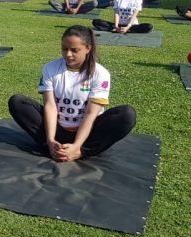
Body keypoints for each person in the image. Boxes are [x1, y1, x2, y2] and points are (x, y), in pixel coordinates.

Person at [8, 25, 136, 161]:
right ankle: (52, 146)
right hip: (58, 128)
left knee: (126, 115)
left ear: (88, 48)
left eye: (75, 50)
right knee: (18, 102)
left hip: (88, 132)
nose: (68, 54)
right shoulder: (50, 68)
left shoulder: (100, 74)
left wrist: (77, 146)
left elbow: (90, 113)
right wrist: (50, 140)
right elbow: (50, 106)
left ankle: (83, 151)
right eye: (64, 49)